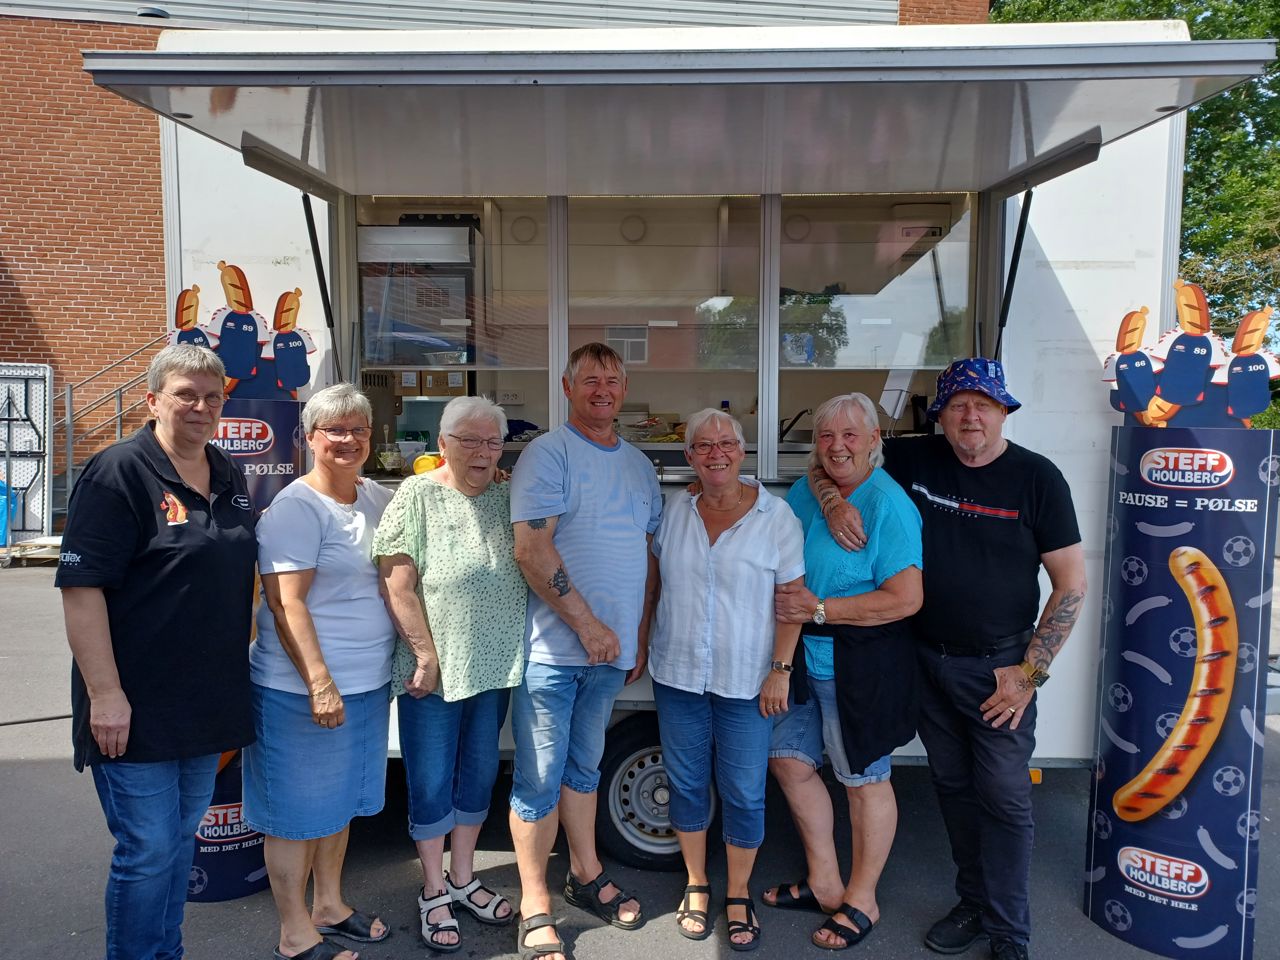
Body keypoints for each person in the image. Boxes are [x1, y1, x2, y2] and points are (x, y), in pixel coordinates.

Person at [817, 359, 1086, 960]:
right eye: (958, 404)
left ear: (1003, 411)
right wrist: (834, 502)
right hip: (926, 662)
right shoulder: (913, 457)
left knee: (1006, 798)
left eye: (983, 404)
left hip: (1000, 671)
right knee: (954, 789)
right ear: (940, 414)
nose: (970, 416)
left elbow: (1070, 585)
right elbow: (832, 459)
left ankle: (1010, 932)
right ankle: (973, 903)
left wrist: (1030, 674)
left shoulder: (1038, 478)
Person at [57, 343, 257, 960]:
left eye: (213, 397)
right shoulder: (118, 471)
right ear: (152, 400)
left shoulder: (226, 471)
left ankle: (163, 953)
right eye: (185, 395)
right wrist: (105, 696)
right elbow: (82, 589)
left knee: (178, 842)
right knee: (146, 850)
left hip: (206, 703)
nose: (201, 407)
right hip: (134, 705)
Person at [507, 342, 661, 960]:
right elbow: (531, 550)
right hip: (555, 654)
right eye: (590, 379)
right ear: (568, 388)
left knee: (584, 771)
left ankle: (585, 872)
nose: (603, 389)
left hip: (610, 656)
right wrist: (591, 627)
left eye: (613, 380)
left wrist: (638, 633)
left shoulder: (640, 465)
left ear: (624, 391)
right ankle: (534, 904)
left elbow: (647, 558)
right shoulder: (549, 453)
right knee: (538, 781)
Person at [765, 393, 923, 951]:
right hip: (801, 656)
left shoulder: (888, 505)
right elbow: (813, 479)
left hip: (859, 662)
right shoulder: (812, 488)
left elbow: (906, 598)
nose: (837, 447)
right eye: (826, 435)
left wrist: (822, 611)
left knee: (864, 780)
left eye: (850, 435)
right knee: (788, 761)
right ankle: (825, 882)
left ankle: (863, 898)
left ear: (874, 440)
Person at [244, 382, 396, 960]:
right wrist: (319, 683)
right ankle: (293, 932)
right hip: (302, 691)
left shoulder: (374, 497)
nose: (348, 440)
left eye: (358, 429)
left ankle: (329, 905)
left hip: (366, 684)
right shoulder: (296, 508)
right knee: (295, 814)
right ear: (309, 437)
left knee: (338, 805)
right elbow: (286, 604)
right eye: (334, 430)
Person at [648, 408, 805, 951]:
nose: (716, 453)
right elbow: (654, 584)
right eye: (703, 445)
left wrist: (780, 670)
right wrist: (642, 642)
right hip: (678, 674)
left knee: (743, 791)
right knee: (686, 782)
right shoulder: (675, 510)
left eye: (726, 444)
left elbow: (792, 601)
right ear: (689, 456)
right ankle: (696, 882)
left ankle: (737, 892)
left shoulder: (775, 516)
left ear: (742, 451)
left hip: (748, 680)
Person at [375, 395, 526, 953]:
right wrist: (425, 655)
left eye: (493, 442)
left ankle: (463, 877)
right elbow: (396, 584)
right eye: (469, 441)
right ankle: (434, 888)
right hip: (432, 671)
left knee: (479, 772)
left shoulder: (508, 496)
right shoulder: (416, 494)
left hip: (494, 663)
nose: (482, 452)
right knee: (430, 778)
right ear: (443, 444)